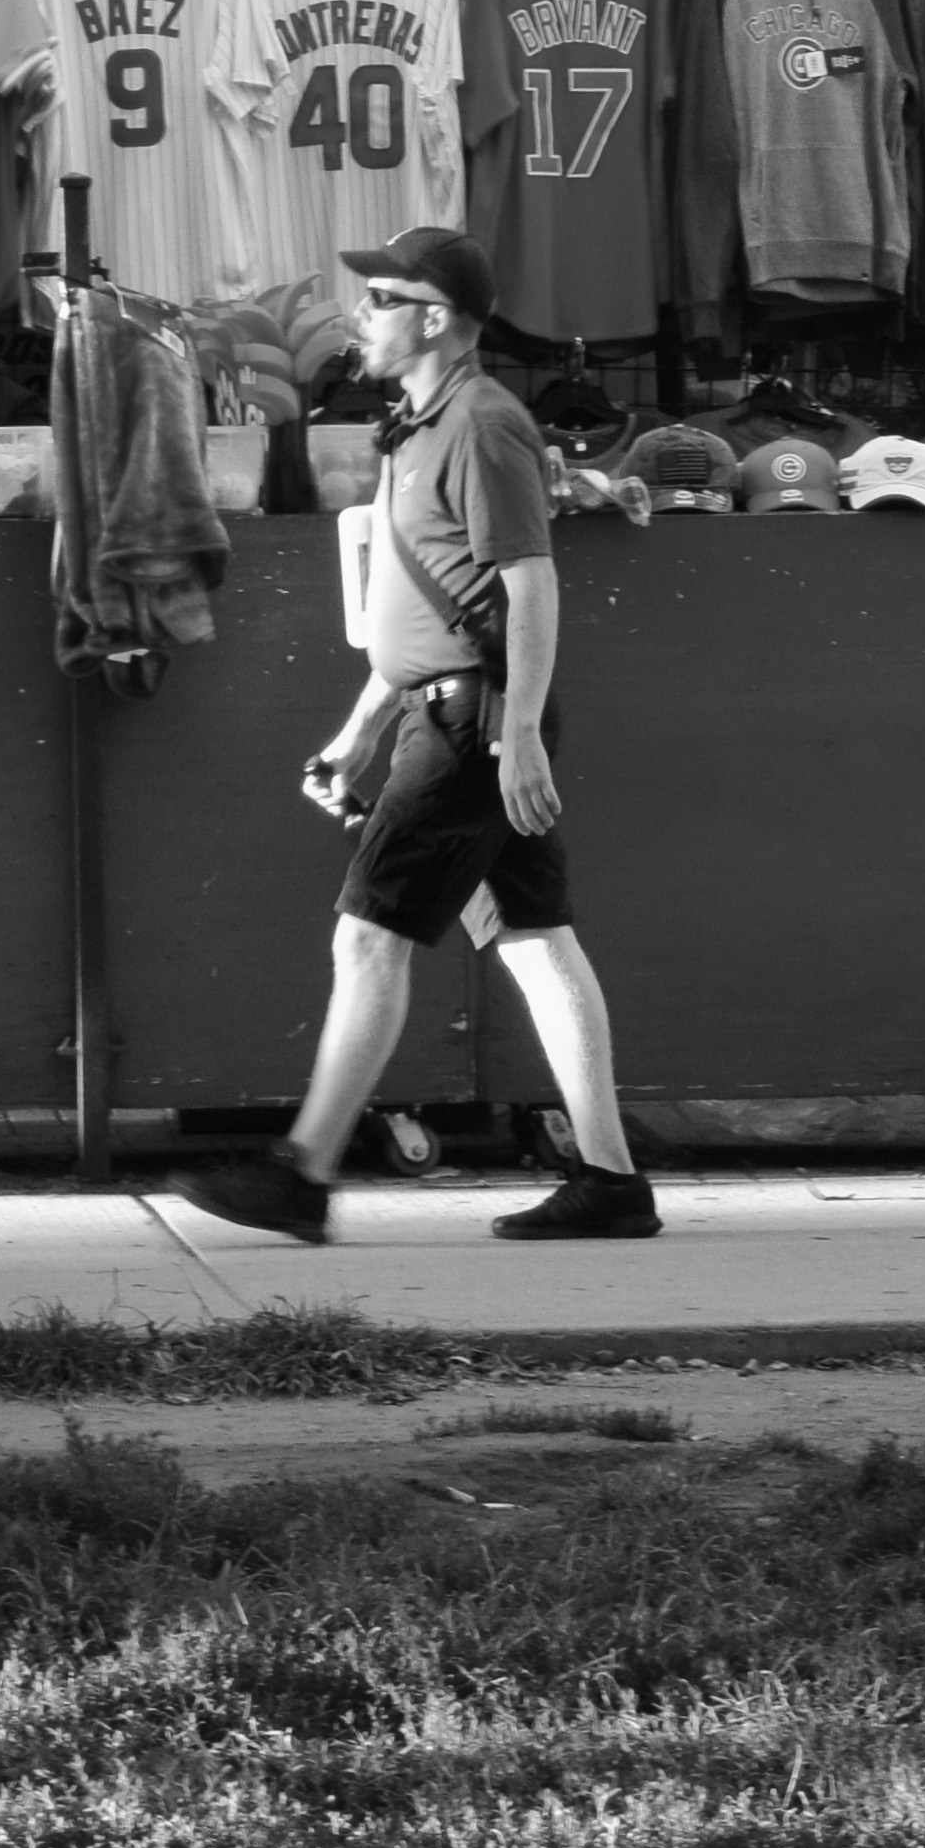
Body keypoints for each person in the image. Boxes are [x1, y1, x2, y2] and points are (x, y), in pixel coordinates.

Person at [184, 221, 655, 1245]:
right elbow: (425, 603)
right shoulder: (422, 419)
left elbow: (529, 585)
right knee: (537, 944)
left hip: (472, 730)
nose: (360, 314)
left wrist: (518, 732)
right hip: (450, 712)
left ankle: (301, 1171)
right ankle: (612, 1181)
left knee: (368, 936)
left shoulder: (481, 423)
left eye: (380, 298)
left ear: (434, 319)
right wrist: (360, 728)